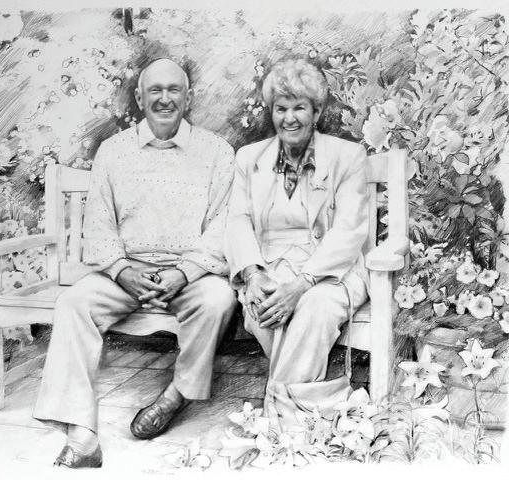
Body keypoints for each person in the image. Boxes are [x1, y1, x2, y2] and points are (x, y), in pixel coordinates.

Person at [33, 58, 237, 468]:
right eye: (155, 91)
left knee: (218, 300)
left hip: (191, 274)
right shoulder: (113, 151)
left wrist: (184, 273)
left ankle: (176, 395)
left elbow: (223, 226)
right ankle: (83, 436)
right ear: (140, 99)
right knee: (73, 303)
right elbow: (99, 225)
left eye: (174, 90)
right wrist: (123, 272)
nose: (165, 99)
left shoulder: (217, 152)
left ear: (188, 98)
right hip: (126, 271)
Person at [224, 58, 370, 430]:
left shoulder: (347, 156)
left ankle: (278, 420)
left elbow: (349, 231)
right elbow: (237, 220)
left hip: (332, 270)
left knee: (315, 308)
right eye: (281, 108)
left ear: (316, 111)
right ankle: (310, 412)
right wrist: (253, 275)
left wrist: (301, 285)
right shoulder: (249, 159)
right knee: (263, 307)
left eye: (299, 108)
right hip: (269, 267)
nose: (289, 118)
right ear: (271, 112)